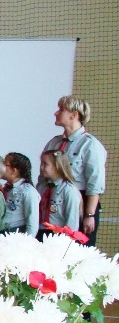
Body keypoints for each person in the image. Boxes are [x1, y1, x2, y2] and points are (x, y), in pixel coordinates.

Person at [41, 95, 106, 246]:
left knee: (76, 248)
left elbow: (95, 183)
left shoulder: (89, 145)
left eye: (61, 110)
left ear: (74, 115)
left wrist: (89, 215)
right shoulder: (54, 143)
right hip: (53, 202)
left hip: (79, 203)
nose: (56, 113)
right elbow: (42, 179)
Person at [36, 150, 82, 240]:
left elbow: (72, 221)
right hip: (40, 232)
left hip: (58, 235)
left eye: (45, 164)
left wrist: (66, 240)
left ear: (57, 166)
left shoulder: (68, 190)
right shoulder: (42, 188)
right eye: (41, 164)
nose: (41, 167)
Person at [1, 152, 40, 237]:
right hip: (3, 233)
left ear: (14, 171)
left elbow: (32, 222)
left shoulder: (28, 191)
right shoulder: (7, 188)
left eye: (5, 164)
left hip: (16, 235)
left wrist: (26, 242)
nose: (1, 167)